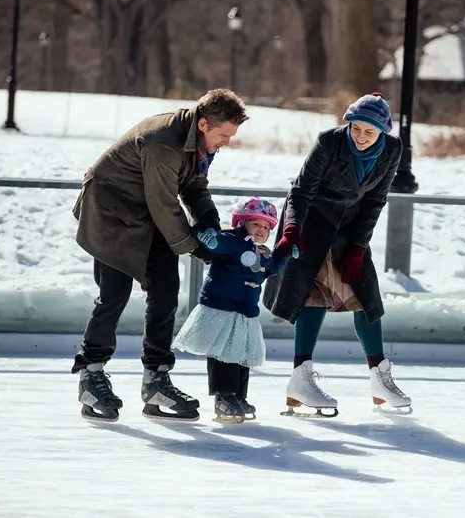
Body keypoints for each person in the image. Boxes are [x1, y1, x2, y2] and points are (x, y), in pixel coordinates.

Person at [71, 88, 249, 423]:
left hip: (147, 214)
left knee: (166, 291)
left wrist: (209, 223)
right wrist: (195, 246)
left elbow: (193, 186)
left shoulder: (198, 142)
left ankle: (156, 379)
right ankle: (91, 375)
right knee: (114, 295)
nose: (226, 142)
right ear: (204, 124)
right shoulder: (163, 142)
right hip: (111, 211)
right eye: (223, 135)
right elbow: (164, 204)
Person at [262, 92, 413, 417]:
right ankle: (300, 377)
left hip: (349, 223)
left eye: (369, 132)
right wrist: (291, 231)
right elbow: (302, 190)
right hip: (311, 220)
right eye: (356, 128)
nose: (360, 136)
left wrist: (358, 248)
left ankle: (379, 378)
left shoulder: (392, 150)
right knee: (314, 293)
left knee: (364, 294)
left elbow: (374, 201)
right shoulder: (330, 143)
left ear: (382, 133)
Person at [172, 197, 296, 423]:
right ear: (242, 223)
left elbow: (271, 268)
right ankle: (223, 396)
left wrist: (286, 251)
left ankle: (239, 396)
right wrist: (209, 239)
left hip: (245, 311)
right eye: (256, 224)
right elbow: (219, 244)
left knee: (241, 355)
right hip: (222, 307)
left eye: (266, 227)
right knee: (223, 353)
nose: (261, 230)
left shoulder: (263, 252)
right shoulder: (233, 240)